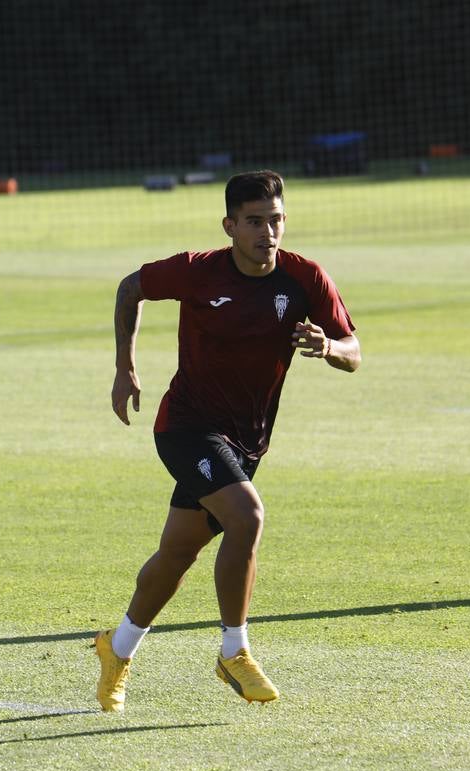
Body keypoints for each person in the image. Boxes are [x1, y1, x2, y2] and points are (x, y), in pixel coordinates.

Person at [97, 171, 359, 711]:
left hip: (246, 443)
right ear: (231, 226)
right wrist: (125, 368)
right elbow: (131, 288)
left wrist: (328, 346)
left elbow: (354, 350)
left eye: (277, 220)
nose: (269, 232)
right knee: (248, 517)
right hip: (185, 428)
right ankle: (233, 651)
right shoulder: (198, 271)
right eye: (256, 222)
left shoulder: (304, 277)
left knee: (176, 555)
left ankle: (116, 649)